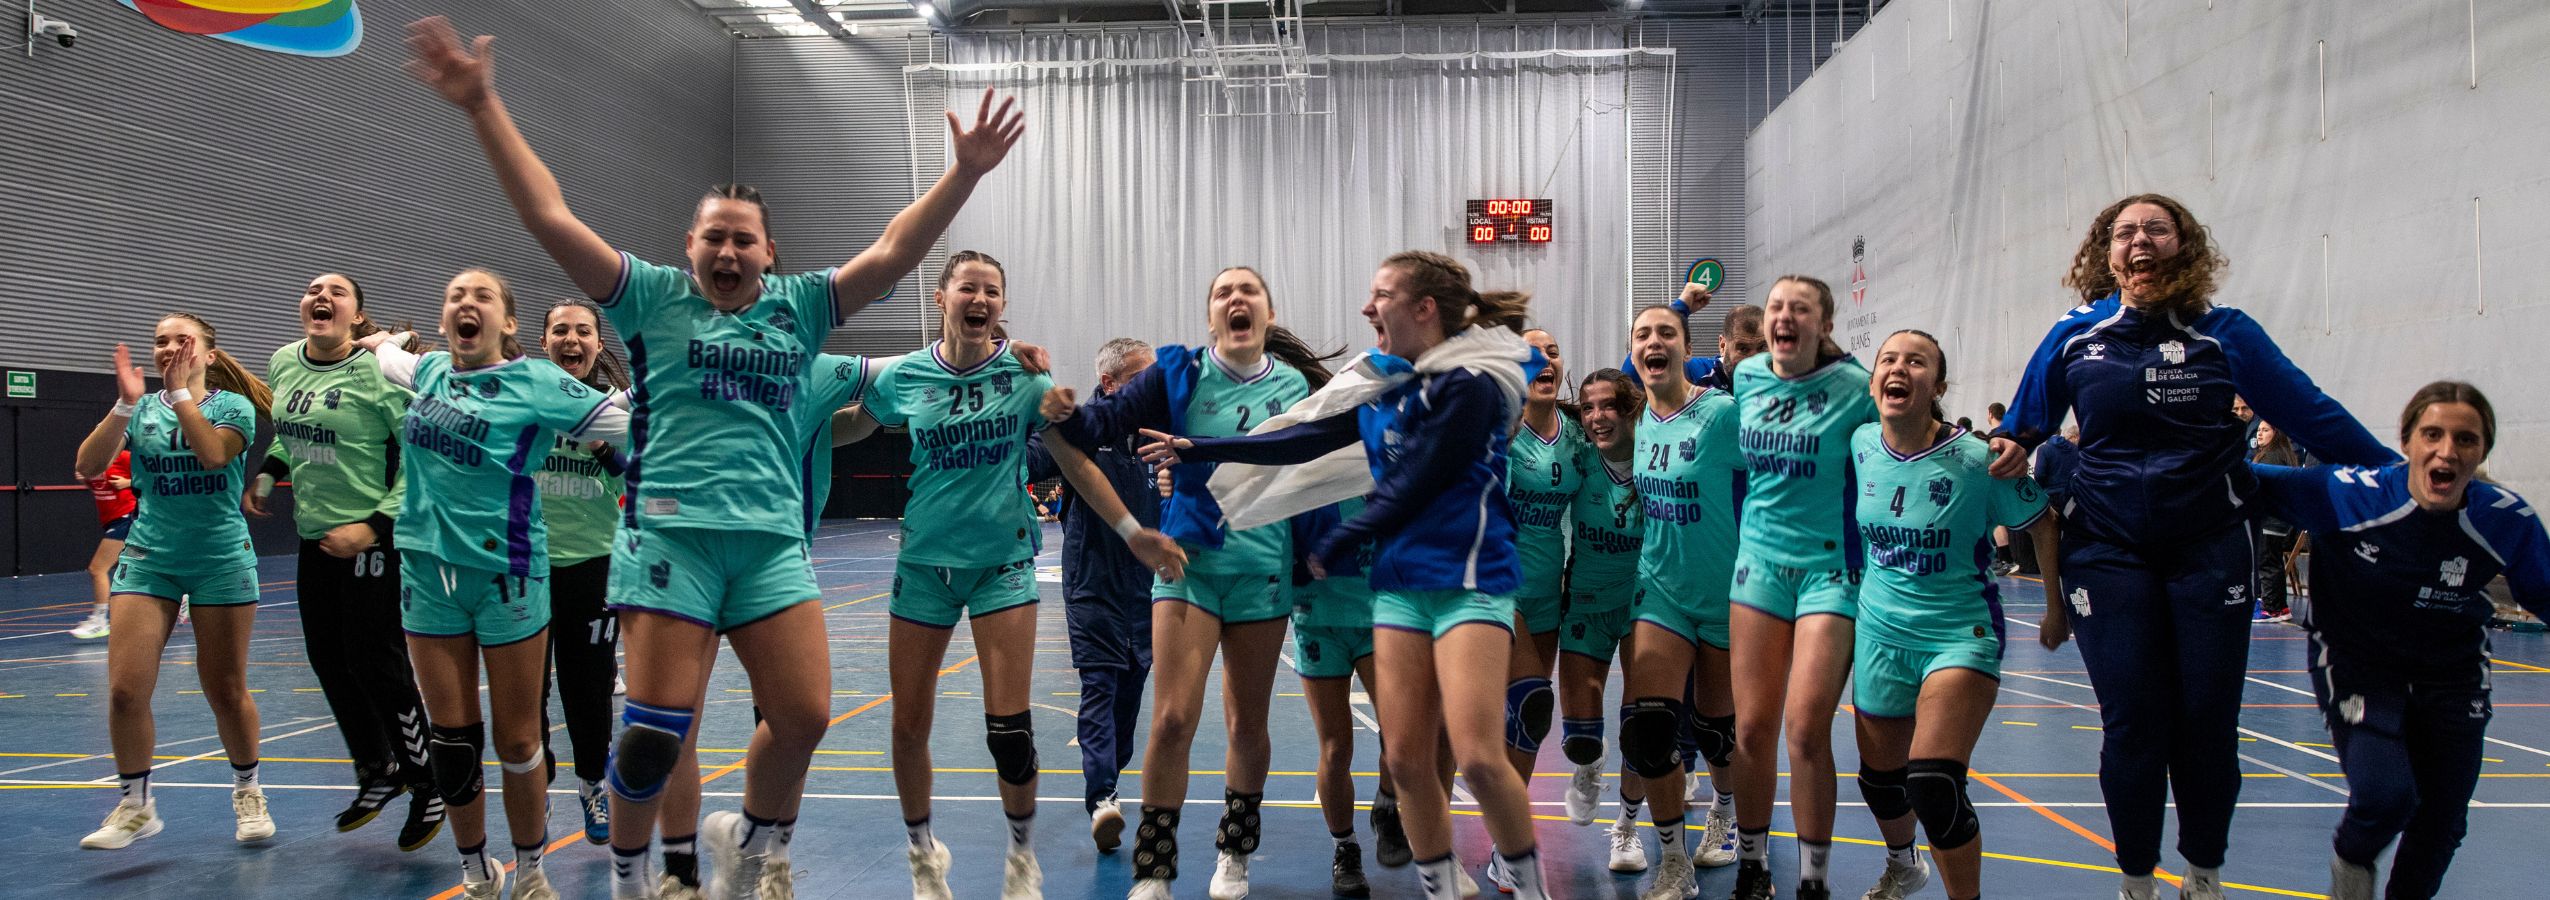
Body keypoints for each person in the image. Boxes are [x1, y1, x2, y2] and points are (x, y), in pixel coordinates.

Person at [403, 17, 1025, 900]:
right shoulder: (651, 298)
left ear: (768, 252)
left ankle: (752, 839)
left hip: (769, 544)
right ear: (689, 247)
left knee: (804, 716)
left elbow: (893, 250)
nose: (728, 250)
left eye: (743, 239)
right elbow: (550, 214)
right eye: (713, 237)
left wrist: (963, 174)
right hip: (670, 540)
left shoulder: (801, 308)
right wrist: (482, 107)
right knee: (655, 735)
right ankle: (634, 877)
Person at [1989, 193, 2400, 900]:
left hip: (2209, 547)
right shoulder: (2076, 333)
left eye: (2156, 229)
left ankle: (2203, 873)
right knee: (2132, 725)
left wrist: (2399, 477)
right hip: (2106, 550)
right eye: (2125, 232)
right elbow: (2024, 424)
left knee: (2207, 723)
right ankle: (2136, 881)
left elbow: (2312, 415)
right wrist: (2006, 445)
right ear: (2106, 254)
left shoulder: (2227, 333)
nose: (2140, 241)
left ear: (2185, 246)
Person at [1139, 252, 1552, 900]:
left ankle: (1530, 888)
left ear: (1424, 309)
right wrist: (1203, 450)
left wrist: (1345, 535)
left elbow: (1420, 480)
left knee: (1474, 755)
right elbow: (1302, 437)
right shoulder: (1384, 387)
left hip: (1470, 581)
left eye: (1380, 295)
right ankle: (1441, 889)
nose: (1365, 308)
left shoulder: (1469, 385)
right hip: (1398, 590)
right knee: (1406, 762)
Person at [851, 252, 1182, 900]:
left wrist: (1130, 530)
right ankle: (922, 855)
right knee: (908, 724)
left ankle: (1022, 858)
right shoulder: (906, 375)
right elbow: (853, 422)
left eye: (992, 291)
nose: (980, 298)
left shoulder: (1025, 379)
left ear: (1002, 304)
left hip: (1003, 564)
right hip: (924, 566)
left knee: (1010, 733)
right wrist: (786, 429)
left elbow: (1074, 460)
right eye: (967, 287)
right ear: (942, 297)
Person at [1041, 265, 1341, 900]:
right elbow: (1100, 426)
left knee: (1247, 724)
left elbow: (1316, 462)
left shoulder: (1294, 386)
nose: (1236, 298)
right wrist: (1065, 411)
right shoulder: (1177, 373)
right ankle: (1155, 866)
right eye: (1223, 292)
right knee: (1173, 718)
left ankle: (1234, 851)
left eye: (1249, 290)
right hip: (1188, 569)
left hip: (1262, 570)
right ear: (1211, 317)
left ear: (1267, 313)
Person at [357, 269, 629, 900]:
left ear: (507, 324)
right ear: (445, 318)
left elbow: (628, 423)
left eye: (482, 296)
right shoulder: (428, 372)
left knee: (518, 738)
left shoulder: (537, 383)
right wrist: (380, 340)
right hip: (427, 573)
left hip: (508, 573)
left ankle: (531, 870)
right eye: (455, 295)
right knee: (451, 741)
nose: (466, 302)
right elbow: (392, 358)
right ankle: (477, 871)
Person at [2241, 382, 2548, 900]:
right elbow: (2242, 480)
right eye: (2433, 434)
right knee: (2385, 797)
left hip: (2453, 675)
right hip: (2361, 666)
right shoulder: (2350, 494)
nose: (2447, 451)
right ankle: (2351, 860)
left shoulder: (2504, 519)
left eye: (2465, 439)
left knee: (2443, 822)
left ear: (2482, 452)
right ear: (2406, 442)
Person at [1850, 330, 2064, 900]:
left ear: (1939, 386)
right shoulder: (1861, 443)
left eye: (1916, 362)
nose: (1899, 368)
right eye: (1888, 359)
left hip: (1957, 633)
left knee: (1933, 784)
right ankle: (1903, 866)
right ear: (1873, 383)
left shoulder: (1979, 459)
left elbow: (2044, 523)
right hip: (1879, 634)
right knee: (1880, 783)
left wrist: (2055, 608)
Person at [250, 272, 444, 849]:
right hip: (317, 538)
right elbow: (291, 430)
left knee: (376, 660)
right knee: (329, 660)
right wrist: (270, 471)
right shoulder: (284, 361)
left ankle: (427, 781)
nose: (321, 296)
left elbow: (423, 455)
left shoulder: (378, 373)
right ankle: (377, 770)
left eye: (337, 292)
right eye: (313, 289)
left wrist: (373, 526)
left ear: (357, 315)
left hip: (374, 538)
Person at [72, 314, 278, 850]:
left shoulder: (232, 408)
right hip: (150, 559)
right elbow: (87, 466)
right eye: (160, 341)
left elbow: (212, 454)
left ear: (209, 355)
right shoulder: (141, 410)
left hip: (219, 559)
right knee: (124, 691)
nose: (168, 347)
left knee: (225, 690)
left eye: (181, 340)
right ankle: (136, 805)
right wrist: (125, 404)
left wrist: (179, 393)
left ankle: (249, 791)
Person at [1725, 275, 1883, 900]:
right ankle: (1752, 865)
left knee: (1807, 729)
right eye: (1776, 307)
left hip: (1830, 569)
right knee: (1751, 729)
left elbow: (1903, 437)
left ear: (1825, 325)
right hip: (1759, 565)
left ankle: (1814, 879)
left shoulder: (1856, 387)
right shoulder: (1746, 376)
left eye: (1800, 308)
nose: (1784, 316)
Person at [1613, 303, 1748, 900]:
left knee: (1716, 730)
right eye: (1642, 334)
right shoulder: (1637, 420)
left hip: (1723, 593)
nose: (1654, 341)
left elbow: (1785, 458)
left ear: (1688, 350)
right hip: (1660, 590)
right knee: (1648, 729)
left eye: (1667, 332)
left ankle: (1724, 809)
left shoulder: (1721, 414)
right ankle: (1673, 861)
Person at [1022, 337, 1162, 853]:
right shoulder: (1082, 431)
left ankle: (1110, 777)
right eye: (1141, 379)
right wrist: (1022, 412)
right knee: (1099, 687)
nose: (1152, 389)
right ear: (1110, 383)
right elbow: (1032, 456)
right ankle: (1102, 798)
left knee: (1129, 696)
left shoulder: (1159, 433)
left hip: (1146, 591)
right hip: (1092, 584)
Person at [1551, 369, 1661, 877]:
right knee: (1579, 735)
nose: (1597, 417)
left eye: (1608, 406)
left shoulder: (1656, 456)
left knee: (1641, 725)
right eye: (1588, 407)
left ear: (1630, 409)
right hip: (1586, 598)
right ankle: (1590, 763)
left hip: (1646, 601)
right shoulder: (1578, 456)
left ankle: (1627, 827)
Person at [534, 298, 633, 846]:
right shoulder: (522, 402)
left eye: (582, 332)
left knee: (588, 687)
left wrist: (598, 444)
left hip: (593, 564)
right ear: (544, 342)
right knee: (527, 688)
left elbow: (636, 477)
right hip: (526, 562)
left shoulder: (614, 411)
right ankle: (536, 780)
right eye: (560, 331)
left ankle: (594, 785)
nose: (571, 339)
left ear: (597, 345)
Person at [1496, 326, 1583, 882]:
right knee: (1530, 701)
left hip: (1549, 587)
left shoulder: (1578, 436)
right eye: (1530, 352)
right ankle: (1508, 844)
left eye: (1552, 351)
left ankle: (1505, 842)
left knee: (1526, 718)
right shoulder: (1498, 433)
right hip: (1496, 587)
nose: (1543, 359)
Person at [70, 449, 135, 640]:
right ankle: (183, 596)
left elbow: (151, 478)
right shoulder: (96, 458)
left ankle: (99, 621)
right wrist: (85, 481)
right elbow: (100, 488)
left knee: (97, 568)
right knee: (143, 564)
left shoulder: (124, 457)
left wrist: (128, 482)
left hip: (127, 517)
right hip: (111, 520)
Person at [2248, 420, 2301, 623]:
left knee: (2268, 563)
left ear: (2276, 433)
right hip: (2276, 520)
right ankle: (2279, 606)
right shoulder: (2280, 454)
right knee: (2272, 561)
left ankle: (2272, 608)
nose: (2259, 434)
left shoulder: (2272, 457)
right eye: (2259, 430)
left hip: (2270, 520)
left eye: (2265, 430)